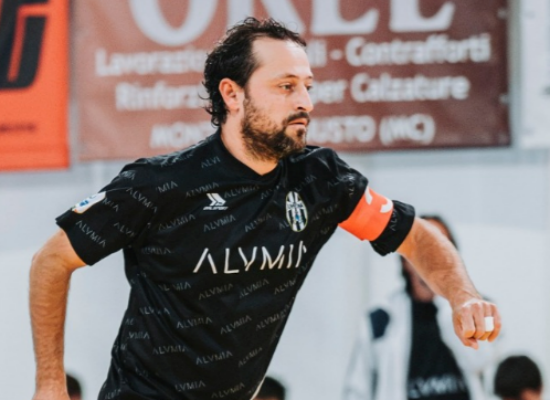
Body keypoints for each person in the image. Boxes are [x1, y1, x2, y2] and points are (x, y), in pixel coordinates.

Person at [29, 17, 501, 400]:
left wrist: (462, 296)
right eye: (285, 86)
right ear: (232, 94)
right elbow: (51, 261)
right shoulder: (159, 184)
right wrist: (50, 384)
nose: (305, 102)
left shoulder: (321, 180)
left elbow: (415, 235)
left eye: (307, 86)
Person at [343, 215, 501, 400]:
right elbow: (356, 389)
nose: (432, 258)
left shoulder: (476, 308)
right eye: (423, 248)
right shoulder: (381, 319)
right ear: (405, 259)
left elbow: (481, 361)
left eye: (442, 249)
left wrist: (448, 298)